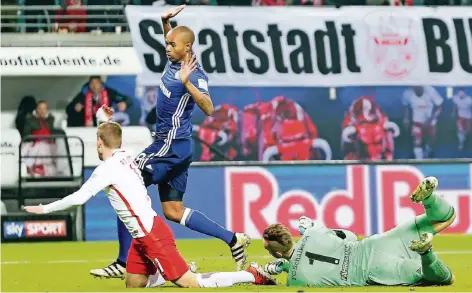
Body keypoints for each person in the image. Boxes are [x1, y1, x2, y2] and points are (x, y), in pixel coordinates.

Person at [22, 113, 276, 288]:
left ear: (99, 144)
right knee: (134, 283)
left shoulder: (107, 169)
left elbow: (79, 198)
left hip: (151, 234)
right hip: (143, 234)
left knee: (190, 283)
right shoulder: (125, 154)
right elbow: (113, 134)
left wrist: (45, 208)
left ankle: (251, 275)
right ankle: (169, 268)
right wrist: (106, 119)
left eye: (97, 143)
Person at [91, 5, 250, 279]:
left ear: (186, 48)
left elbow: (209, 108)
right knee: (173, 211)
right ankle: (233, 239)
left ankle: (122, 262)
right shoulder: (175, 60)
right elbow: (174, 40)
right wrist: (166, 22)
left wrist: (187, 83)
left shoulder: (194, 74)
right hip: (178, 148)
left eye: (171, 44)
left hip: (170, 145)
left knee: (123, 184)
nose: (166, 46)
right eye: (166, 42)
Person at [262, 176, 456, 287]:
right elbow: (351, 237)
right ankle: (429, 199)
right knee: (446, 218)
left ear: (277, 253)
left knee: (446, 278)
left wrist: (283, 269)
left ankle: (425, 253)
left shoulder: (296, 280)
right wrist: (313, 229)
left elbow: (304, 268)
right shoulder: (314, 233)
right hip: (377, 244)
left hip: (374, 271)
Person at [402, 86, 444, 159]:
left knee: (430, 142)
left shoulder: (431, 90)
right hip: (417, 122)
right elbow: (404, 106)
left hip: (431, 122)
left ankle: (428, 152)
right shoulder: (407, 93)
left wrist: (431, 119)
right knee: (417, 142)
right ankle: (419, 160)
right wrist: (406, 119)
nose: (417, 90)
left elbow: (440, 106)